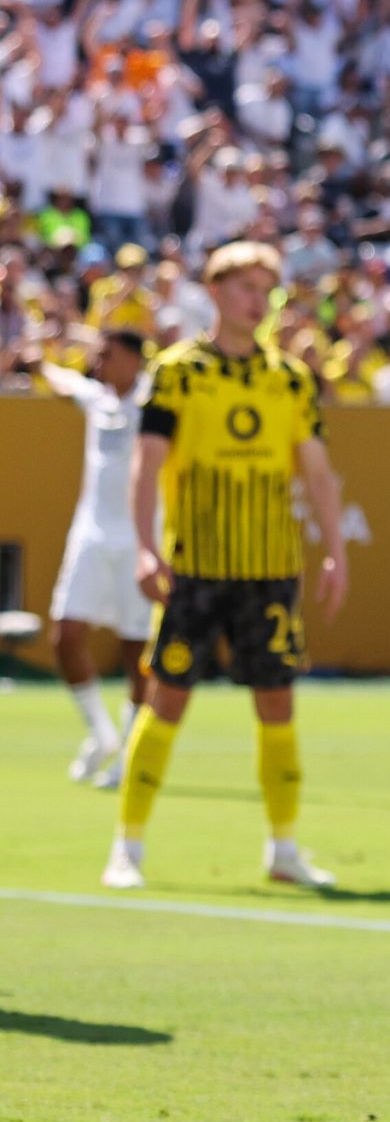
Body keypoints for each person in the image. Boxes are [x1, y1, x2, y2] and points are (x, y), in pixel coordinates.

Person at [105, 243, 348, 892]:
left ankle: (285, 847)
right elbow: (148, 462)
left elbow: (318, 473)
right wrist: (145, 545)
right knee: (168, 699)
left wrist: (334, 550)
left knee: (277, 701)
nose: (257, 299)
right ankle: (127, 845)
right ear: (214, 291)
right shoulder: (179, 372)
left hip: (270, 568)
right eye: (245, 285)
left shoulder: (290, 378)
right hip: (198, 565)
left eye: (266, 288)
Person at [27, 330, 152, 787]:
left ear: (135, 361)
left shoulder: (156, 398)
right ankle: (102, 735)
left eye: (108, 355)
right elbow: (63, 382)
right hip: (92, 537)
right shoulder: (97, 397)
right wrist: (37, 363)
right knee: (65, 634)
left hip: (142, 539)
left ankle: (129, 755)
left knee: (137, 650)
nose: (97, 363)